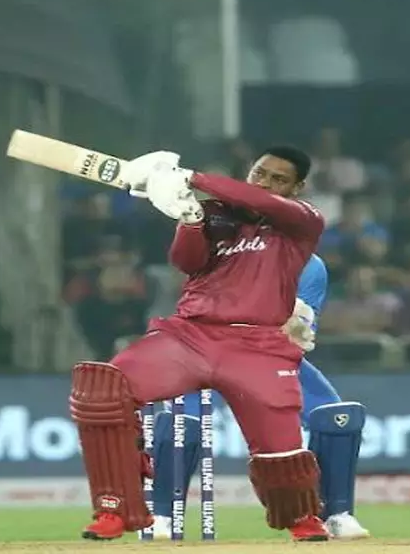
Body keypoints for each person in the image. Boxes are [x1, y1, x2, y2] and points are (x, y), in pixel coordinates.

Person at [69, 146, 330, 542]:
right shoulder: (214, 214)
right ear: (249, 171)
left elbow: (262, 202)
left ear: (297, 188)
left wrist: (190, 176)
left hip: (258, 345)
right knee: (103, 389)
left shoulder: (303, 220)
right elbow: (186, 262)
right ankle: (114, 509)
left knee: (280, 448)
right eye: (260, 173)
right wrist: (190, 219)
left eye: (279, 179)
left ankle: (301, 518)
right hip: (191, 335)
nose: (265, 184)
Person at [148, 254, 370, 540]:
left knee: (337, 417)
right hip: (204, 350)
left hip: (268, 354)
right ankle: (161, 516)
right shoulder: (222, 253)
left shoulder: (308, 265)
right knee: (182, 420)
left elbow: (299, 332)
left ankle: (337, 514)